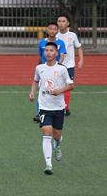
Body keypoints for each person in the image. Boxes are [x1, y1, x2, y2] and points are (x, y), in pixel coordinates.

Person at [29, 42, 74, 175]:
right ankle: (48, 164)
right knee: (46, 132)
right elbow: (36, 81)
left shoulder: (62, 69)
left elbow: (71, 86)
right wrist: (32, 92)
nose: (48, 53)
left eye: (51, 51)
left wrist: (59, 91)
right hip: (44, 106)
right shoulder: (39, 68)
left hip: (59, 107)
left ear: (56, 53)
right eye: (46, 50)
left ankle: (58, 145)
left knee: (57, 135)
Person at [34, 22, 67, 122]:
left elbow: (62, 55)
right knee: (42, 91)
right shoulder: (42, 43)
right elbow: (40, 56)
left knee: (55, 90)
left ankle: (59, 109)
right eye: (50, 29)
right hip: (44, 71)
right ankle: (40, 113)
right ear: (47, 30)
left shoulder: (60, 43)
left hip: (55, 71)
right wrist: (39, 67)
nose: (52, 31)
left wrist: (58, 66)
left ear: (57, 31)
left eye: (54, 29)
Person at [56, 13, 84, 115]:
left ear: (68, 23)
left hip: (69, 65)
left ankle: (65, 107)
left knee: (68, 85)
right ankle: (58, 106)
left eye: (63, 21)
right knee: (58, 85)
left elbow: (79, 47)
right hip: (57, 65)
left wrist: (81, 60)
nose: (61, 23)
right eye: (59, 21)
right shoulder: (55, 35)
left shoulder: (72, 35)